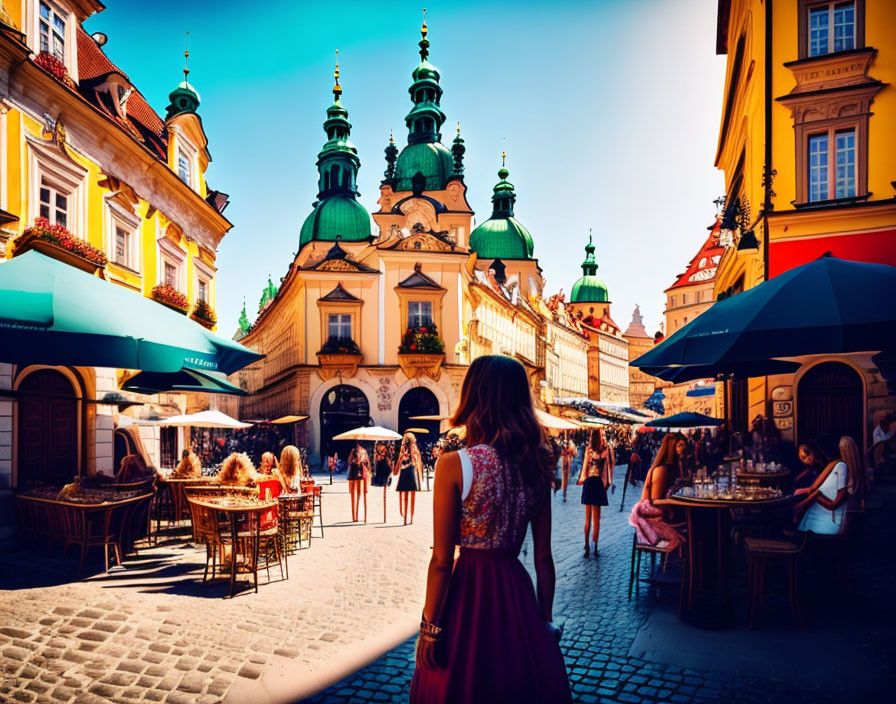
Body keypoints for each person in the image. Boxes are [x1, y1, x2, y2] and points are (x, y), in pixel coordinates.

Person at [410, 355, 571, 704]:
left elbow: (441, 559)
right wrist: (544, 621)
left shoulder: (455, 465)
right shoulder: (536, 464)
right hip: (515, 589)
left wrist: (430, 628)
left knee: (459, 682)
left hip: (467, 589)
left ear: (474, 396)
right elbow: (543, 558)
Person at [628, 434, 686, 552]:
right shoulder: (662, 469)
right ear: (671, 447)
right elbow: (655, 500)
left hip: (665, 512)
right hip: (654, 516)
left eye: (685, 445)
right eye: (680, 445)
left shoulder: (674, 466)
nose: (683, 448)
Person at [794, 436, 858, 535]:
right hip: (824, 501)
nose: (806, 460)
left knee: (801, 498)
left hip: (828, 512)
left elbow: (833, 503)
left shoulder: (840, 467)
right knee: (799, 494)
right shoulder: (836, 466)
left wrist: (815, 496)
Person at [577, 428, 614, 557]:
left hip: (588, 483)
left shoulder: (588, 451)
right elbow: (609, 466)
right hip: (598, 483)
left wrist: (582, 479)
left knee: (587, 519)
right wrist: (608, 483)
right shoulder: (605, 451)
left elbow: (584, 467)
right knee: (596, 519)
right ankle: (595, 547)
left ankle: (586, 546)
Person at [396, 432, 422, 525]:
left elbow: (416, 461)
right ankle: (409, 518)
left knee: (407, 496)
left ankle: (407, 518)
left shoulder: (410, 450)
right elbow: (418, 463)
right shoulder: (410, 450)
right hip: (409, 472)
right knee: (410, 497)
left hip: (407, 471)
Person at [347, 442, 370, 523]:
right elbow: (368, 464)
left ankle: (356, 516)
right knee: (357, 495)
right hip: (358, 473)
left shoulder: (357, 451)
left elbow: (349, 461)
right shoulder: (361, 451)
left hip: (357, 473)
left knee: (356, 495)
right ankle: (357, 516)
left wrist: (357, 461)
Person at [559, 435, 576, 502]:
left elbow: (574, 453)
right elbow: (560, 452)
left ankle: (564, 494)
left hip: (567, 462)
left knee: (566, 479)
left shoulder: (570, 443)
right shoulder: (561, 442)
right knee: (564, 479)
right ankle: (564, 494)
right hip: (563, 462)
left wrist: (569, 450)